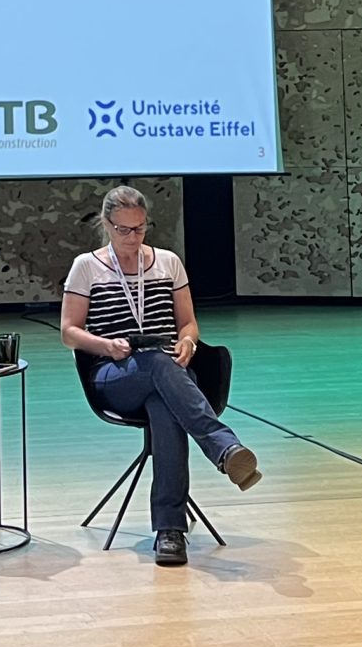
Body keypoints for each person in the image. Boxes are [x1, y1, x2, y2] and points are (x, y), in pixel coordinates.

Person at [60, 185, 261, 568]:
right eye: (123, 230)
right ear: (106, 224)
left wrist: (187, 342)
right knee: (154, 363)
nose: (132, 237)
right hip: (114, 373)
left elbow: (188, 323)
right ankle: (223, 447)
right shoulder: (86, 266)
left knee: (164, 403)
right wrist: (106, 346)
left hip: (170, 373)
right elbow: (69, 332)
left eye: (139, 228)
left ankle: (170, 531)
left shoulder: (168, 262)